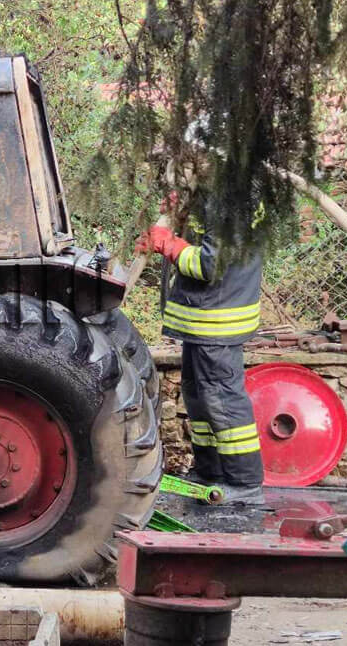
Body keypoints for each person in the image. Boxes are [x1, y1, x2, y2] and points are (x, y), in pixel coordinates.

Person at [135, 193, 265, 504]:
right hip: (205, 319)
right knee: (198, 396)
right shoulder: (214, 192)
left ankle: (244, 481)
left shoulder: (227, 198)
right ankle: (210, 471)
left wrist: (169, 245)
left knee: (221, 400)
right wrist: (183, 209)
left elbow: (210, 264)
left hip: (217, 320)